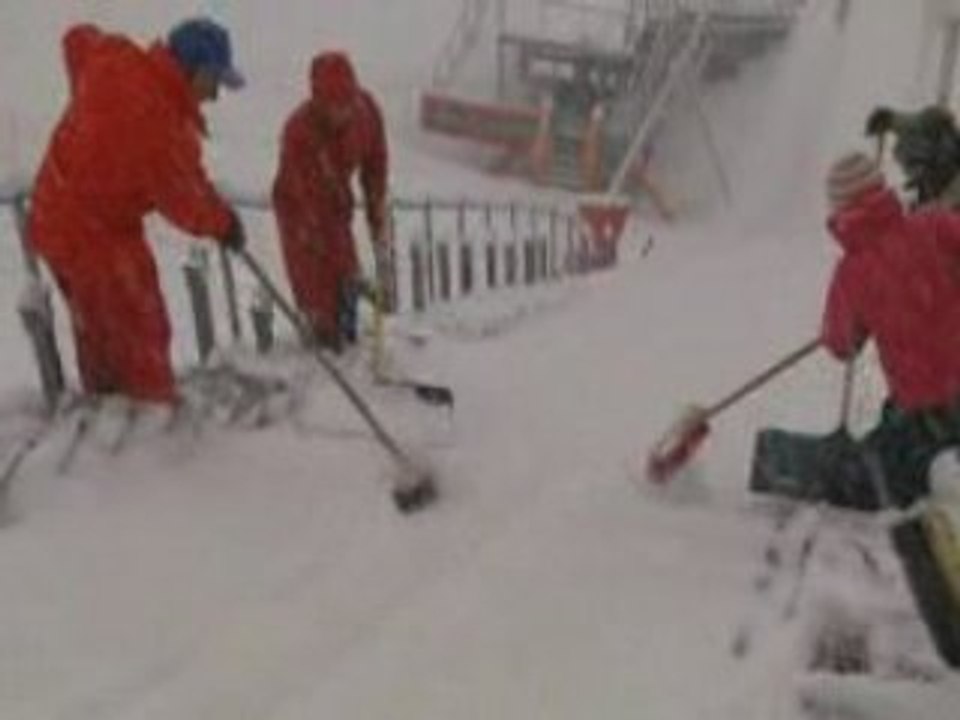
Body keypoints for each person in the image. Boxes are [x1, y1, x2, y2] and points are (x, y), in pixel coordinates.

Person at [28, 17, 246, 405]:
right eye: (214, 82)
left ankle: (112, 409)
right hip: (90, 232)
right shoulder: (155, 117)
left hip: (59, 213)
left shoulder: (122, 63)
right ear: (195, 69)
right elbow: (184, 198)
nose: (214, 96)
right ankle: (145, 427)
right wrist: (225, 223)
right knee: (139, 335)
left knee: (104, 329)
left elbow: (79, 42)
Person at [819, 151, 960, 507]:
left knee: (875, 473)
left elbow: (839, 343)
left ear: (840, 210)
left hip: (921, 410)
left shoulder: (851, 273)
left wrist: (854, 320)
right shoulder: (934, 226)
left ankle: (937, 474)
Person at [271, 51, 390, 353]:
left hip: (336, 201)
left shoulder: (367, 114)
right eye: (334, 106)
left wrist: (378, 225)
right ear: (317, 100)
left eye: (347, 105)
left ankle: (346, 341)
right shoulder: (298, 132)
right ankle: (323, 342)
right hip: (298, 208)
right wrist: (340, 265)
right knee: (318, 289)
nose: (342, 113)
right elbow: (312, 211)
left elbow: (375, 170)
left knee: (347, 281)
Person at [865, 104, 960, 209]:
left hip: (951, 188)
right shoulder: (929, 116)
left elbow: (924, 174)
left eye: (879, 133)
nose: (880, 139)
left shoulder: (903, 147)